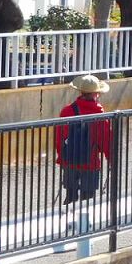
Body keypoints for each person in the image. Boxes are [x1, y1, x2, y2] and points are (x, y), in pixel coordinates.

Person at [55, 75, 113, 204]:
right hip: (90, 161)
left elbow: (60, 137)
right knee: (88, 200)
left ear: (80, 92)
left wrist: (63, 156)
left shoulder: (67, 110)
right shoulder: (100, 115)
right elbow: (106, 140)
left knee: (70, 196)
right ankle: (83, 223)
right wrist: (111, 159)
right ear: (96, 94)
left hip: (70, 160)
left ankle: (66, 222)